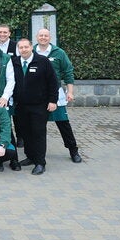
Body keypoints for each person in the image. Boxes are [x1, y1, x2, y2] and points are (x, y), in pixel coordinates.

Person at [11, 39, 60, 175]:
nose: (24, 49)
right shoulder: (14, 62)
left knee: (38, 133)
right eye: (21, 47)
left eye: (26, 47)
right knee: (26, 133)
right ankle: (30, 157)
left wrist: (53, 100)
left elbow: (53, 82)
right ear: (18, 49)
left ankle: (40, 162)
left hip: (39, 105)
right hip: (21, 105)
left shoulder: (43, 61)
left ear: (31, 47)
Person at [34, 28, 82, 163]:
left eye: (46, 35)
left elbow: (68, 72)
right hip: (37, 96)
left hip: (55, 95)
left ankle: (73, 150)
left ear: (50, 37)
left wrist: (70, 92)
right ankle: (34, 155)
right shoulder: (31, 51)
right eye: (41, 35)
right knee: (36, 126)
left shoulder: (59, 53)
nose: (43, 37)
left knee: (63, 124)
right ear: (36, 37)